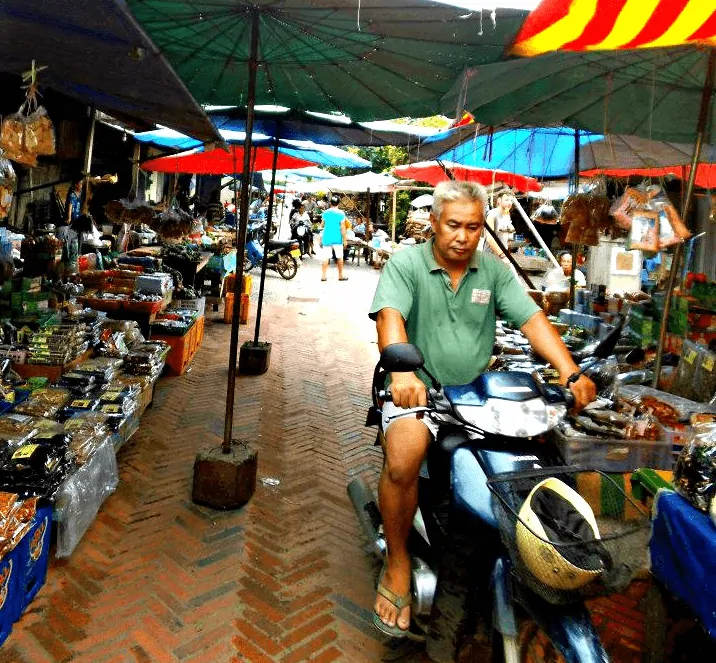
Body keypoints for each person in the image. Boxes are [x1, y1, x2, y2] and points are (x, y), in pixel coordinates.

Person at [368, 180, 596, 638]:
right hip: (419, 392)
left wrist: (571, 372)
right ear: (434, 223)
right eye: (454, 225)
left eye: (473, 227)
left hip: (476, 395)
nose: (463, 236)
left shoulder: (492, 272)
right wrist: (401, 372)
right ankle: (397, 563)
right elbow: (391, 317)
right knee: (403, 461)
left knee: (535, 454)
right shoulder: (407, 263)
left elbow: (531, 320)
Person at [319, 195, 349, 281]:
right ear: (338, 203)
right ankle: (340, 275)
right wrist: (345, 239)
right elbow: (342, 227)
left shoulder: (326, 212)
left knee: (326, 257)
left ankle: (324, 276)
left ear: (330, 203)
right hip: (337, 238)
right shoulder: (341, 213)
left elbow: (322, 225)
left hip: (327, 237)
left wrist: (320, 237)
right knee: (339, 257)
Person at [482, 189, 515, 263]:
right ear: (499, 201)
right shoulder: (492, 215)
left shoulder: (507, 214)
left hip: (502, 256)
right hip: (490, 257)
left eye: (511, 200)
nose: (510, 203)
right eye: (506, 200)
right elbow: (489, 238)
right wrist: (502, 256)